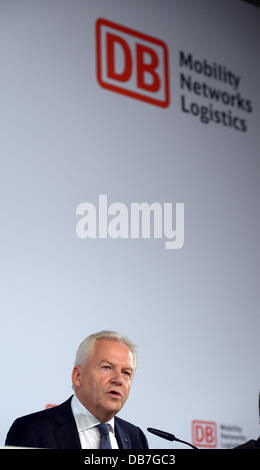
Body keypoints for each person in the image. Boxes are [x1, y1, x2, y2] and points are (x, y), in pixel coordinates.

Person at [5, 330, 149, 449]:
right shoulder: (32, 430)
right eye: (106, 367)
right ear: (78, 376)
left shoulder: (135, 437)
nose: (118, 380)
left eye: (126, 373)